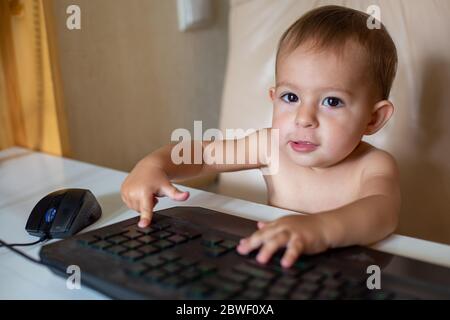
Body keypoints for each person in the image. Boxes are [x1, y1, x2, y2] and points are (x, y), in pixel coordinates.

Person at [121, 5, 400, 268]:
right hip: (277, 262)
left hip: (347, 272)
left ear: (373, 118)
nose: (303, 118)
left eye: (332, 102)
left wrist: (320, 229)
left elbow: (381, 212)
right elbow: (204, 156)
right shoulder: (270, 147)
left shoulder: (373, 165)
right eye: (290, 97)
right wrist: (153, 165)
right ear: (273, 97)